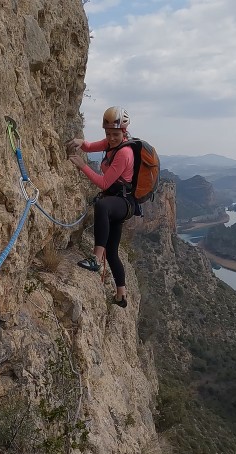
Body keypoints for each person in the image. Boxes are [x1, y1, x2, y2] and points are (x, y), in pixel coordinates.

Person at [66, 106, 137, 308]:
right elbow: (90, 146)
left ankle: (96, 259)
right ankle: (121, 295)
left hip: (122, 203)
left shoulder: (124, 153)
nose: (111, 138)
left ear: (124, 132)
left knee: (102, 206)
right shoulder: (110, 144)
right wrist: (81, 143)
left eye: (115, 134)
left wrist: (83, 166)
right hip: (117, 202)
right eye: (108, 134)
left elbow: (105, 183)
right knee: (113, 252)